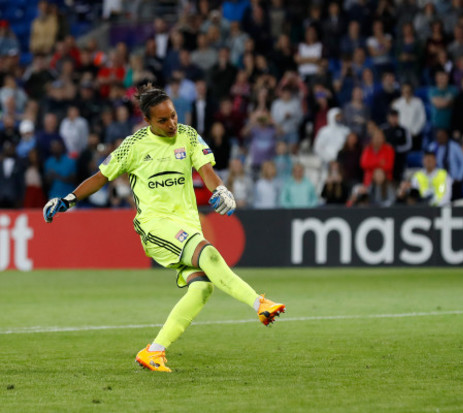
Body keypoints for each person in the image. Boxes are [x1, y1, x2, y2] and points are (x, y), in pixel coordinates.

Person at [42, 85, 285, 373]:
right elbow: (101, 177)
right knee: (208, 253)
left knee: (202, 288)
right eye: (162, 120)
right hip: (155, 226)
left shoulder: (189, 135)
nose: (171, 124)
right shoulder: (133, 146)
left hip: (186, 223)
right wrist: (69, 200)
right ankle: (259, 303)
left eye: (173, 116)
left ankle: (154, 352)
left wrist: (221, 189)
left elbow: (206, 170)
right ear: (147, 121)